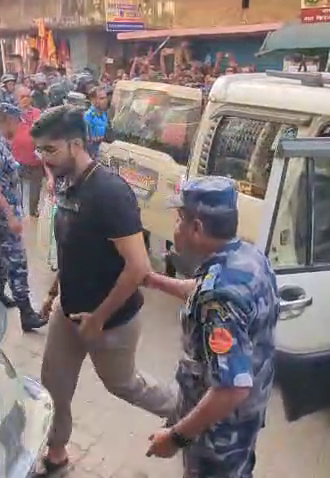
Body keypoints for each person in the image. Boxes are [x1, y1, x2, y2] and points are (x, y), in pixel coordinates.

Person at [32, 105, 175, 476]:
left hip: (112, 321)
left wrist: (98, 318)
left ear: (77, 144)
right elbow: (71, 247)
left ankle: (184, 411)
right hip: (69, 312)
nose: (44, 158)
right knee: (54, 385)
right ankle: (57, 453)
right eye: (40, 150)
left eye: (50, 149)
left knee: (123, 385)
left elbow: (139, 267)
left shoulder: (110, 192)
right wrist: (53, 294)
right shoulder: (66, 182)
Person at [143, 176, 280, 477]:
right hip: (243, 420)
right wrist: (155, 281)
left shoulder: (219, 299)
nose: (175, 228)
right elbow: (202, 289)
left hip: (219, 434)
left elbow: (232, 388)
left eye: (179, 220)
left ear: (196, 228)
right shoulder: (247, 257)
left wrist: (176, 437)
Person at [0, 103, 46, 331]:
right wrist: (11, 217)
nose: (19, 128)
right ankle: (27, 314)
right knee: (18, 261)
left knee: (2, 255)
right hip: (1, 216)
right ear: (8, 120)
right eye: (18, 123)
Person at [11, 85, 44, 217]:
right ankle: (18, 211)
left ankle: (33, 210)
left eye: (28, 96)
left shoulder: (37, 113)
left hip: (35, 158)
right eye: (22, 97)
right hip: (16, 158)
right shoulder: (12, 114)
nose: (26, 99)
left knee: (36, 186)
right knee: (17, 187)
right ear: (16, 98)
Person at [83, 86, 109, 160]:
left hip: (102, 154)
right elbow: (84, 139)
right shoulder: (88, 116)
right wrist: (98, 139)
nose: (105, 101)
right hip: (91, 156)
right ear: (93, 100)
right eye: (101, 98)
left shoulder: (104, 114)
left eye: (105, 98)